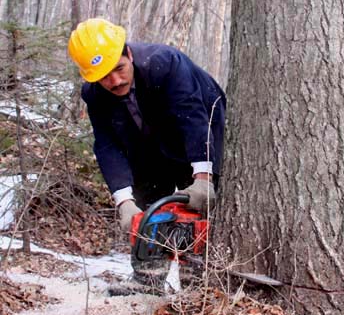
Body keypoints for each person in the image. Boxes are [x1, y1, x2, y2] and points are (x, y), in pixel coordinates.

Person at [68, 18, 226, 233]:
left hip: (201, 127)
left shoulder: (165, 63)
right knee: (147, 208)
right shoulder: (94, 94)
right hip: (147, 139)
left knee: (203, 203)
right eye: (104, 77)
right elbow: (107, 146)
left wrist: (203, 177)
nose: (115, 81)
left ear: (129, 55)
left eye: (119, 69)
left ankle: (202, 258)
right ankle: (152, 255)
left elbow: (192, 116)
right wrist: (124, 201)